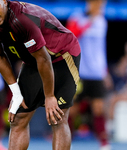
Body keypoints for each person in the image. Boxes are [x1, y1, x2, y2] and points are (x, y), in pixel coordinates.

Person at [0, 0, 81, 150]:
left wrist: (49, 96)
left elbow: (44, 59)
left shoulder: (21, 19)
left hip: (62, 56)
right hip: (34, 59)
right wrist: (16, 93)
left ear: (4, 1)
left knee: (58, 117)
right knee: (18, 118)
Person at [66, 0, 112, 150]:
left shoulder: (102, 22)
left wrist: (105, 72)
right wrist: (90, 20)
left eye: (102, 4)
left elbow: (101, 49)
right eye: (98, 3)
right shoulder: (77, 17)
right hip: (79, 72)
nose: (100, 7)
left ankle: (104, 144)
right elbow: (70, 36)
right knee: (73, 109)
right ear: (90, 3)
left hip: (97, 73)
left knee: (98, 108)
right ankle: (67, 141)